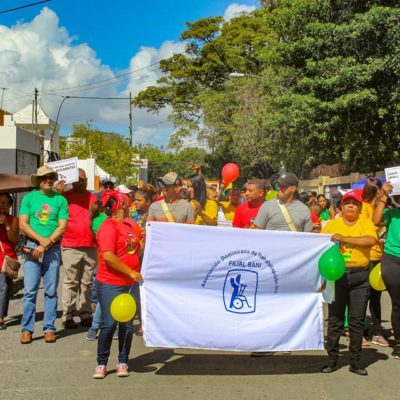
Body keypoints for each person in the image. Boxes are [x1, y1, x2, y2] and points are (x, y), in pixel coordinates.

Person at [321, 190, 377, 376]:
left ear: (360, 208)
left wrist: (343, 238)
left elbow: (370, 240)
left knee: (356, 321)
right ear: (341, 208)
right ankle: (332, 360)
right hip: (337, 278)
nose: (351, 205)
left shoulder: (366, 223)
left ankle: (355, 362)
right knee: (335, 320)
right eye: (347, 203)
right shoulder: (331, 225)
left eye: (354, 203)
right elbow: (320, 247)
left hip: (360, 278)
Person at [93, 190, 144, 379]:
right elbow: (108, 256)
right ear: (121, 204)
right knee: (109, 323)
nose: (130, 204)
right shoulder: (108, 226)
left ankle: (123, 361)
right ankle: (102, 363)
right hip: (110, 283)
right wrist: (130, 271)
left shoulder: (131, 224)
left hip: (129, 284)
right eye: (127, 202)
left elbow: (137, 252)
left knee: (127, 324)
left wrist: (144, 239)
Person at [19, 166, 69, 344]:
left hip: (52, 249)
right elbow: (23, 224)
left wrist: (47, 243)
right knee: (30, 291)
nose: (48, 180)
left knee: (50, 291)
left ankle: (49, 328)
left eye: (51, 177)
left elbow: (62, 226)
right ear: (38, 180)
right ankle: (27, 329)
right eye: (45, 177)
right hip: (32, 247)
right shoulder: (29, 198)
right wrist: (41, 241)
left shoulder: (60, 200)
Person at [58, 169, 98, 329]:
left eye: (85, 179)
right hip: (70, 244)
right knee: (71, 281)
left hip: (90, 244)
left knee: (87, 282)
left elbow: (96, 216)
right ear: (73, 181)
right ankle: (67, 315)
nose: (83, 182)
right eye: (80, 179)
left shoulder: (93, 197)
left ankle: (85, 314)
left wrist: (95, 212)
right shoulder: (65, 197)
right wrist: (58, 193)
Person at [373, 182, 400, 359]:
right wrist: (384, 194)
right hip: (392, 260)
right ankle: (398, 344)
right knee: (397, 304)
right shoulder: (391, 213)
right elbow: (375, 221)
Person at [360, 178, 388, 347]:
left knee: (376, 297)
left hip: (379, 256)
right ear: (376, 192)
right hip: (366, 257)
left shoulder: (380, 208)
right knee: (363, 296)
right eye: (382, 191)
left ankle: (377, 332)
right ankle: (361, 331)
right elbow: (367, 228)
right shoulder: (363, 208)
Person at [0, 193, 19, 330]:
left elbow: (13, 239)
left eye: (6, 203)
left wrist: (6, 223)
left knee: (4, 289)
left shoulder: (13, 219)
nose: (3, 206)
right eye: (0, 202)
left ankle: (0, 317)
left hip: (6, 260)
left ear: (10, 206)